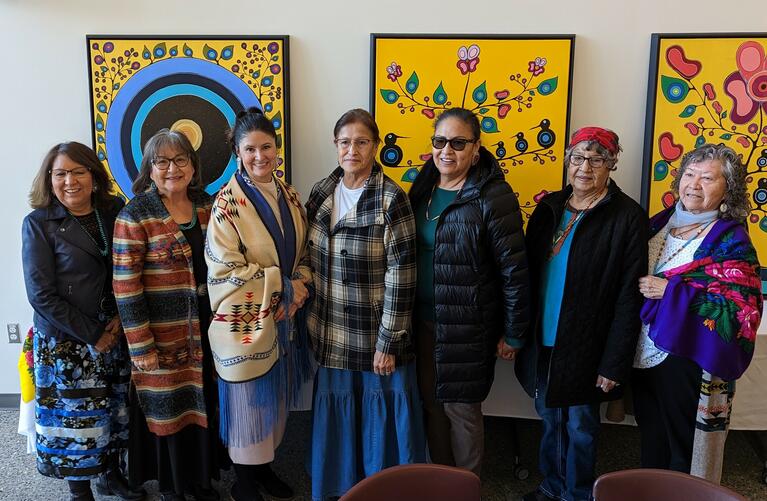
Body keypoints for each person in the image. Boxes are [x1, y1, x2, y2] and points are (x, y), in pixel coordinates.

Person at [515, 127, 648, 501]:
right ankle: (552, 485)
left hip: (588, 344)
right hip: (544, 336)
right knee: (550, 418)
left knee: (581, 426)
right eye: (578, 157)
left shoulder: (626, 217)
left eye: (597, 158)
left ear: (612, 164)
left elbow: (629, 297)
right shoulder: (549, 209)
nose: (585, 167)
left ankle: (576, 494)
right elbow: (525, 274)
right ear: (567, 161)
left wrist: (614, 362)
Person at [305, 108, 426, 500]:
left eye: (361, 142)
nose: (352, 149)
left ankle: (384, 490)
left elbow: (403, 273)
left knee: (380, 417)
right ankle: (340, 487)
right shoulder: (322, 192)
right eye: (345, 142)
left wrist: (388, 341)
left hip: (375, 336)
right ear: (335, 145)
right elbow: (304, 256)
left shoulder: (392, 198)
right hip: (331, 330)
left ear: (375, 146)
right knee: (339, 412)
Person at [408, 107, 529, 476]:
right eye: (440, 141)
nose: (448, 150)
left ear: (476, 149)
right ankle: (442, 481)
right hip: (422, 323)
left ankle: (466, 487)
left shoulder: (493, 196)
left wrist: (514, 333)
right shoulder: (421, 189)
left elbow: (515, 273)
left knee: (461, 410)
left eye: (459, 143)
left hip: (468, 328)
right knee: (430, 404)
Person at [22, 142, 144, 501]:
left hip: (113, 331)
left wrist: (120, 321)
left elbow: (129, 268)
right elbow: (40, 295)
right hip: (68, 341)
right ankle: (80, 490)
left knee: (112, 411)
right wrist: (93, 333)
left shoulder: (114, 211)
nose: (70, 181)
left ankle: (109, 476)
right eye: (60, 173)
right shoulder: (39, 224)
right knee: (75, 422)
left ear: (93, 175)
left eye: (78, 171)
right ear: (49, 179)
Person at [634, 143, 762, 483]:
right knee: (650, 434)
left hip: (686, 355)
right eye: (689, 174)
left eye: (708, 178)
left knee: (682, 445)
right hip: (642, 350)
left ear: (727, 190)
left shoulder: (731, 241)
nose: (694, 184)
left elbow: (740, 312)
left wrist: (670, 291)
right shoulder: (659, 223)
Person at [205, 107, 314, 501]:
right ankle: (244, 484)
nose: (259, 156)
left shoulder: (290, 194)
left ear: (276, 149)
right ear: (238, 153)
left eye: (266, 147)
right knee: (249, 406)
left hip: (285, 315)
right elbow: (225, 270)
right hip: (244, 323)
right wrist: (281, 285)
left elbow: (305, 251)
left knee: (274, 405)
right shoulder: (226, 205)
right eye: (250, 149)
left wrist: (300, 284)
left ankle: (263, 471)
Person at [113, 129, 221, 501]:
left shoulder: (208, 205)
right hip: (160, 334)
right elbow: (126, 287)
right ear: (150, 169)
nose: (172, 168)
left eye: (180, 159)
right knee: (169, 409)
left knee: (202, 402)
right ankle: (175, 487)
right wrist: (140, 347)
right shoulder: (135, 214)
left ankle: (201, 481)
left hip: (208, 332)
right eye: (162, 162)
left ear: (193, 165)